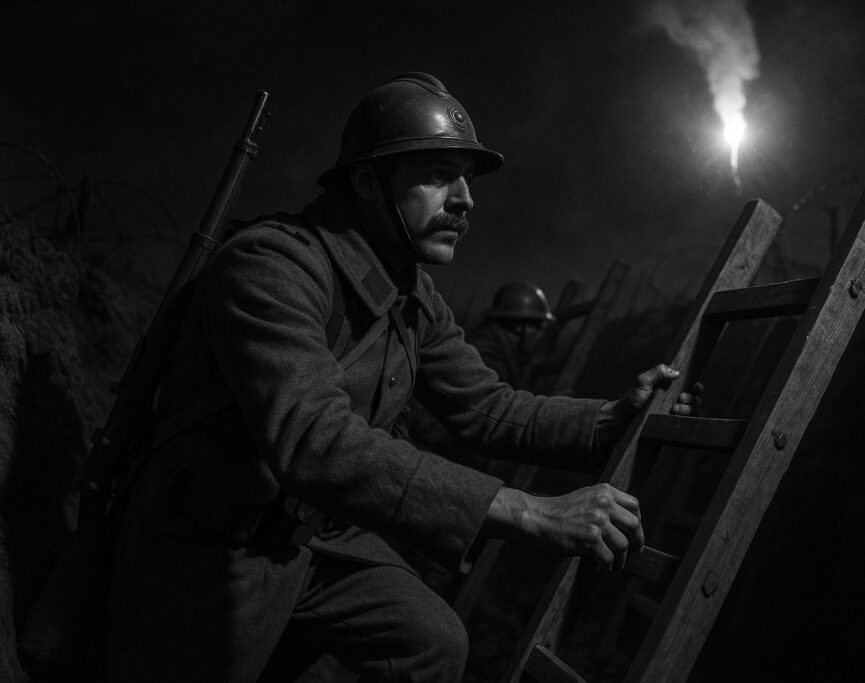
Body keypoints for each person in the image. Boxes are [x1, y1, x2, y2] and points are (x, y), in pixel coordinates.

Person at [107, 72, 700, 682]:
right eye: (439, 176)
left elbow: (485, 406)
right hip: (212, 543)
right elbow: (316, 441)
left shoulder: (410, 294)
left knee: (433, 643)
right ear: (367, 182)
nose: (467, 199)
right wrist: (528, 511)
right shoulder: (273, 267)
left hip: (313, 538)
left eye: (466, 179)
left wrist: (608, 420)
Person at [467, 281, 555, 385]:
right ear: (521, 328)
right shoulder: (486, 358)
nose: (541, 335)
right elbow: (498, 399)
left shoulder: (501, 350)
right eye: (539, 327)